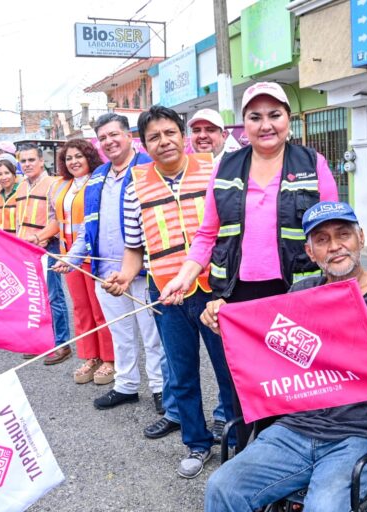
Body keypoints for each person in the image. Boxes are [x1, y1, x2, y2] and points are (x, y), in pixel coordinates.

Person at [204, 201, 367, 511]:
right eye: (322, 240)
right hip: (294, 429)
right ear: (310, 252)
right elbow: (265, 351)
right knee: (222, 487)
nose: (335, 246)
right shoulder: (300, 294)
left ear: (361, 237)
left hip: (362, 435)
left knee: (324, 507)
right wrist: (226, 323)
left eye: (343, 234)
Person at [161, 81, 339, 447]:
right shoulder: (226, 167)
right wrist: (184, 276)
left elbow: (334, 233)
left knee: (294, 382)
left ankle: (293, 461)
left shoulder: (312, 163)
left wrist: (340, 289)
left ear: (288, 119)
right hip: (238, 296)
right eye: (255, 117)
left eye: (274, 115)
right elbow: (208, 234)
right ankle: (251, 459)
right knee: (248, 387)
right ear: (244, 123)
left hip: (296, 295)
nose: (265, 124)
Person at [102, 105, 234, 479]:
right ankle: (197, 443)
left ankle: (238, 436)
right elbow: (134, 248)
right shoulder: (134, 185)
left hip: (215, 290)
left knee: (229, 370)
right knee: (181, 373)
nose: (164, 142)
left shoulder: (215, 171)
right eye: (154, 137)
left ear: (183, 136)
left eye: (170, 133)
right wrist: (125, 278)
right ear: (144, 145)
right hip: (166, 295)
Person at [52, 114, 172, 435]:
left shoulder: (150, 168)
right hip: (105, 273)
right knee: (120, 335)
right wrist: (71, 257)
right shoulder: (97, 177)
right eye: (103, 137)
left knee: (153, 336)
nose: (109, 142)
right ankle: (127, 385)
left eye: (114, 134)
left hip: (145, 270)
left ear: (129, 135)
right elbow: (86, 230)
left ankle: (162, 390)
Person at [49, 139, 116, 385]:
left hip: (93, 256)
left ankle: (110, 359)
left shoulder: (97, 182)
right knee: (81, 309)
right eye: (68, 158)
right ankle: (90, 356)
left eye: (79, 156)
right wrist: (40, 237)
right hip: (70, 258)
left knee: (101, 309)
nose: (74, 162)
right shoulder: (62, 186)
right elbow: (58, 221)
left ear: (89, 157)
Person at [15, 143, 72, 364]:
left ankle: (62, 344)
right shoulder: (22, 187)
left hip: (48, 247)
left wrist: (41, 238)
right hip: (26, 249)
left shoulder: (53, 184)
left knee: (54, 296)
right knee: (35, 298)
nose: (27, 164)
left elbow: (58, 219)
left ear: (41, 161)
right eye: (23, 161)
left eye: (31, 160)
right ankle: (43, 341)